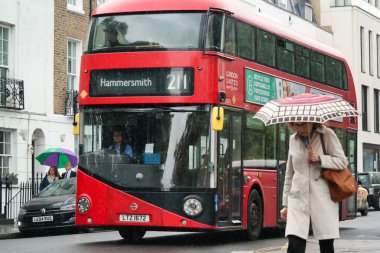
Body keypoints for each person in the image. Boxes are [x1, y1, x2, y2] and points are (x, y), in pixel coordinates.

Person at [280, 122, 348, 253]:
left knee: (326, 245)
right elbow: (289, 174)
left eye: (304, 124)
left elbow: (342, 161)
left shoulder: (327, 134)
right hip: (298, 198)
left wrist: (320, 158)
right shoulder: (292, 140)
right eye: (296, 125)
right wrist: (286, 204)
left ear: (312, 121)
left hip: (323, 198)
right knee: (295, 244)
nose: (300, 128)